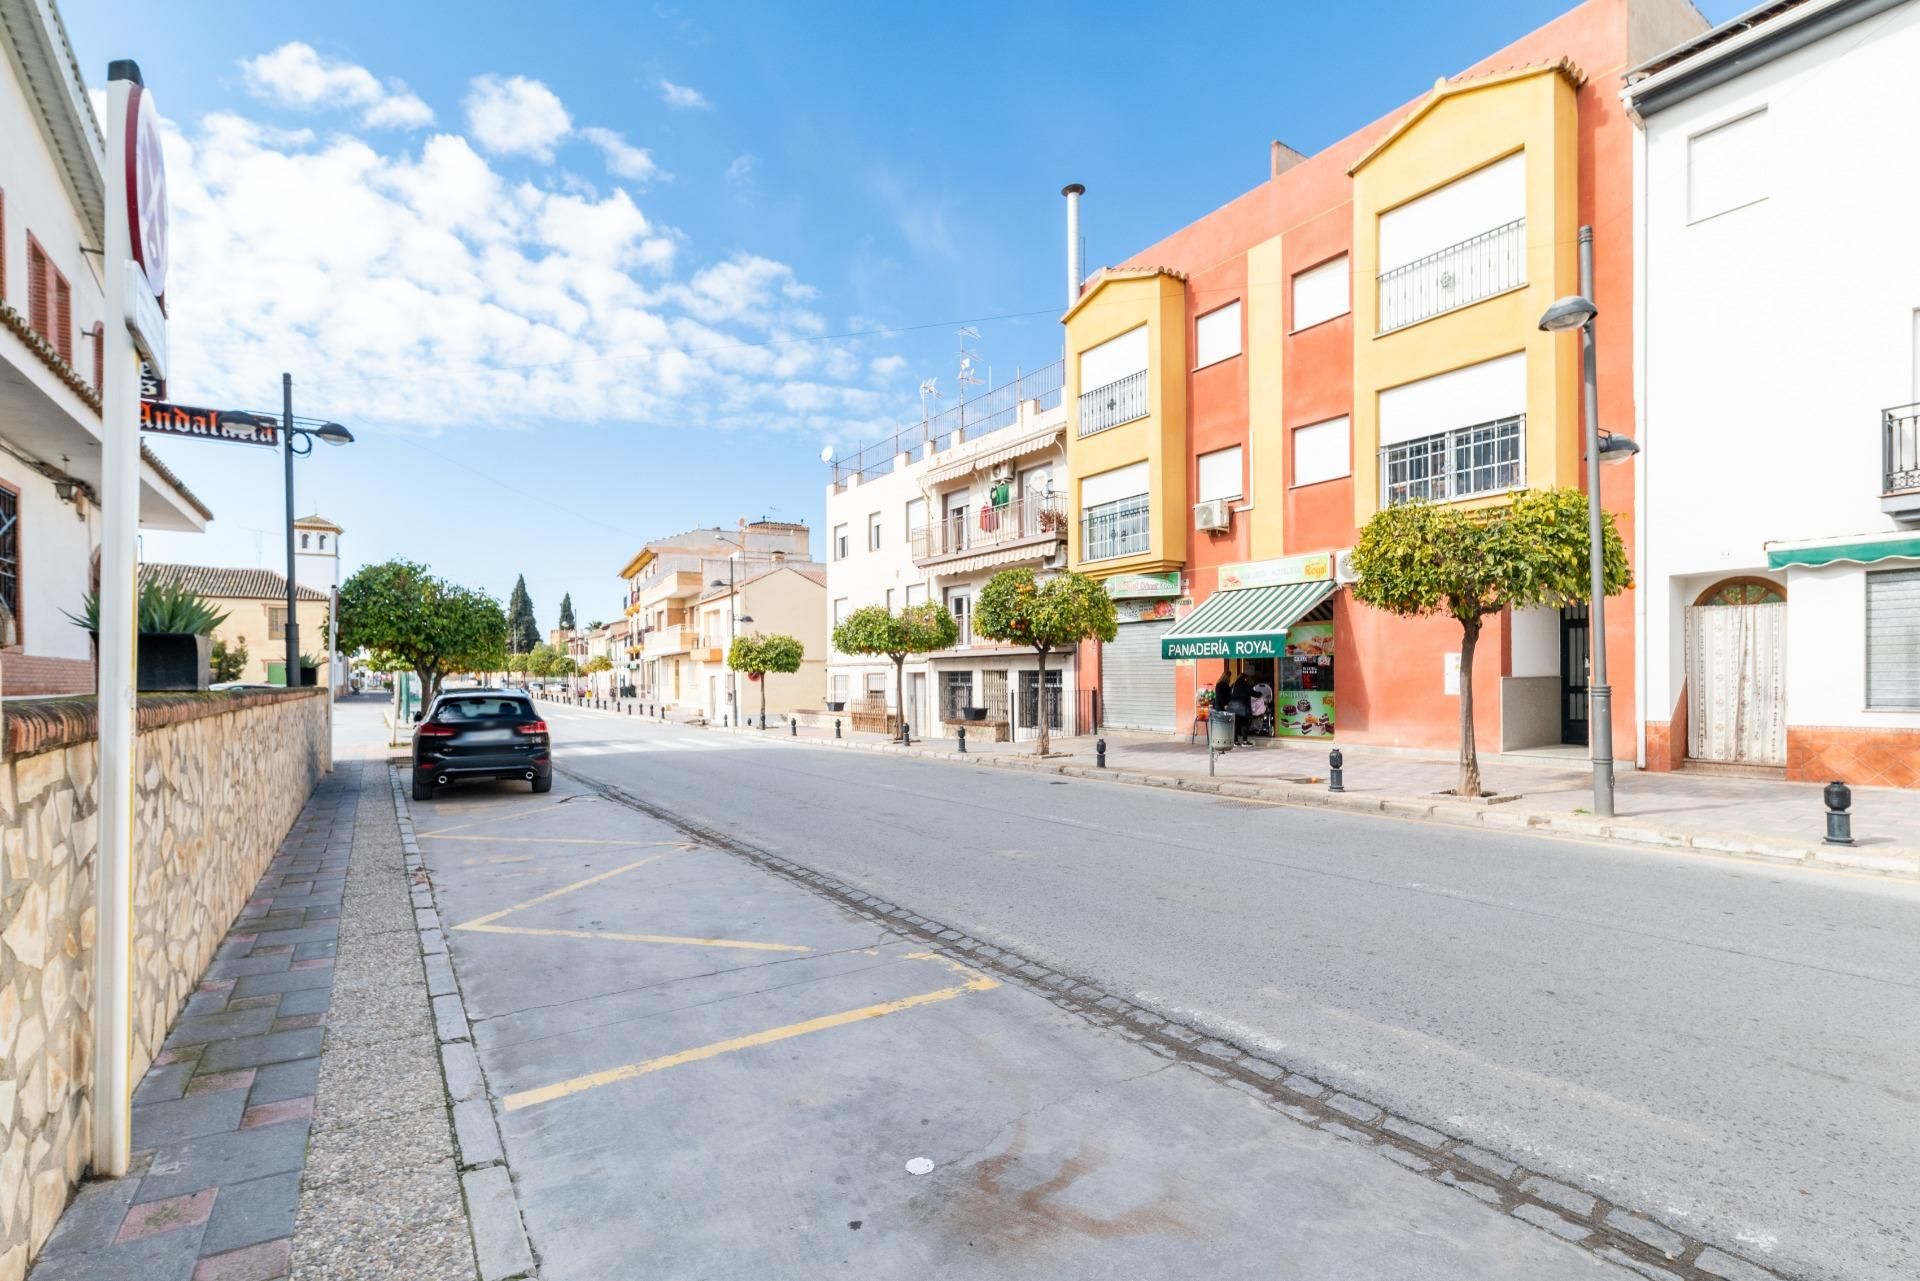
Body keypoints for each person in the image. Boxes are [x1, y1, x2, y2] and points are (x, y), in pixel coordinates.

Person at [1229, 671, 1255, 746]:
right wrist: (1260, 694)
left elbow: (1230, 694)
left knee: (1236, 724)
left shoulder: (1233, 685)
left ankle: (1235, 741)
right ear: (1245, 678)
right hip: (1243, 708)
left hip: (1233, 707)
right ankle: (1244, 741)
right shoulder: (1245, 684)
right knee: (1245, 723)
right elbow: (1252, 693)